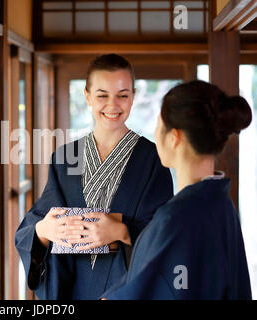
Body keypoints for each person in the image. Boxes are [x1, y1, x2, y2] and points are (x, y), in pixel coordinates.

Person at [15, 54, 174, 300]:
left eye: (123, 95)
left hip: (127, 291)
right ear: (87, 96)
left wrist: (121, 232)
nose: (112, 105)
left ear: (133, 96)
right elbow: (33, 226)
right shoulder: (65, 157)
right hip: (72, 291)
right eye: (102, 95)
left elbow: (165, 233)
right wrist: (43, 230)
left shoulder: (154, 158)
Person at [101, 80, 252, 300]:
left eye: (158, 125)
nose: (155, 133)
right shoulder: (221, 204)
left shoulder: (176, 218)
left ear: (175, 137)